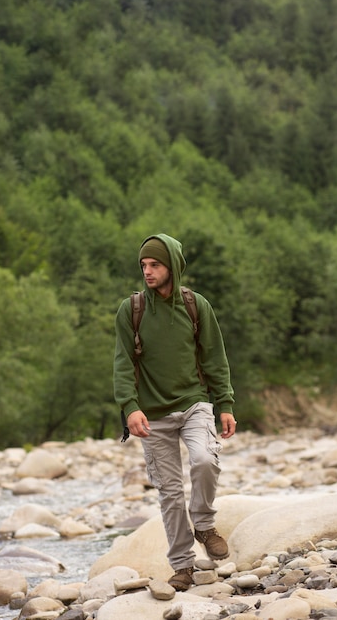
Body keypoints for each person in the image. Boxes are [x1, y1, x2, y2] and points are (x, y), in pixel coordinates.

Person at [113, 233, 236, 591]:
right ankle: (182, 566)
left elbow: (215, 358)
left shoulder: (197, 305)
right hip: (152, 416)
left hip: (195, 404)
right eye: (143, 266)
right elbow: (122, 363)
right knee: (169, 493)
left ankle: (204, 523)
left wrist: (225, 404)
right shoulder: (131, 310)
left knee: (204, 460)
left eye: (155, 265)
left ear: (173, 267)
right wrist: (130, 407)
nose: (147, 272)